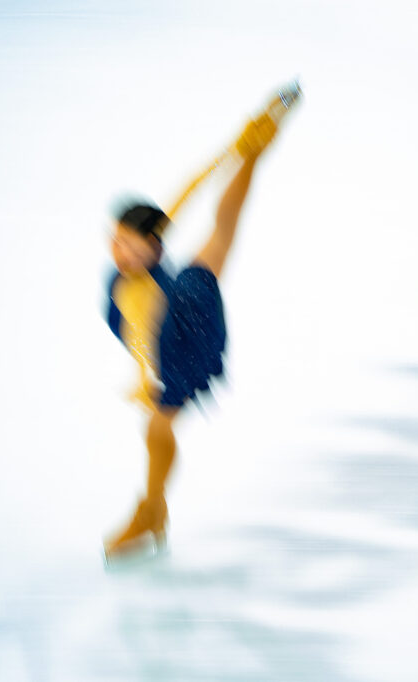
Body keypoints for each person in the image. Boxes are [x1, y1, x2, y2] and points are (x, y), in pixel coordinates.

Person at [102, 85, 299, 557]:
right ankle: (255, 153)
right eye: (116, 240)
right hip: (176, 311)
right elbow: (187, 194)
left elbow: (149, 337)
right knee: (222, 233)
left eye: (130, 244)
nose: (119, 250)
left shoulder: (152, 293)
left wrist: (151, 381)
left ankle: (151, 511)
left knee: (156, 427)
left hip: (187, 335)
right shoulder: (126, 280)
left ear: (154, 248)